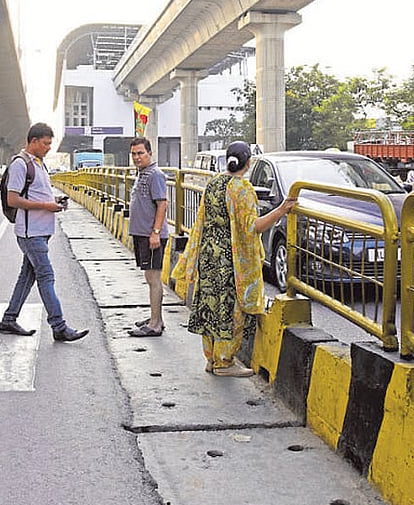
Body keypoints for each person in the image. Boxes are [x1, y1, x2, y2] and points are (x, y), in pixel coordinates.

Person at [174, 141, 297, 377]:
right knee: (232, 309)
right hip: (231, 260)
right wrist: (282, 210)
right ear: (248, 163)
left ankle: (211, 359)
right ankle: (224, 362)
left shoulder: (214, 182)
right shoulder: (242, 188)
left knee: (211, 305)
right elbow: (253, 227)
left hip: (210, 255)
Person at [0, 123, 89, 342]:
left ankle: (9, 320)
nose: (49, 147)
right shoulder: (21, 164)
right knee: (46, 275)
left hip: (40, 230)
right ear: (34, 141)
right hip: (30, 233)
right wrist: (46, 206)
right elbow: (13, 199)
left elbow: (37, 194)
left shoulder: (39, 164)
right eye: (46, 143)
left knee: (27, 276)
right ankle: (59, 326)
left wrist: (53, 201)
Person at [127, 137, 168, 337]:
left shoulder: (155, 175)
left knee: (153, 277)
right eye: (134, 153)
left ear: (150, 153)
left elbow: (162, 204)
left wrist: (156, 232)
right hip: (142, 234)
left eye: (140, 153)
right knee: (149, 276)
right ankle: (156, 317)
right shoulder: (143, 173)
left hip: (151, 235)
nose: (137, 157)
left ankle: (155, 323)